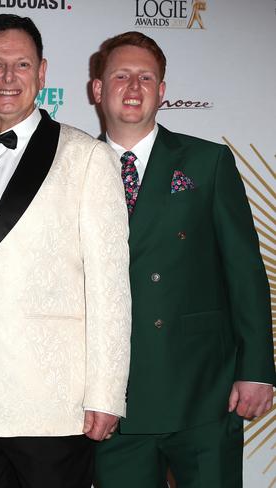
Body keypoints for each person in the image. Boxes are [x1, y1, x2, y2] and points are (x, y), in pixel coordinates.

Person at [0, 14, 131, 487]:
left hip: (53, 403)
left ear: (42, 73)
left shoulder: (88, 158)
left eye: (22, 64)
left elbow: (111, 287)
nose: (9, 77)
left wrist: (106, 393)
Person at [91, 31, 275, 488]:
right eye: (121, 76)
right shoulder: (73, 166)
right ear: (97, 89)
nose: (133, 88)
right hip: (113, 398)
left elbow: (245, 271)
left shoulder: (206, 162)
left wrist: (256, 370)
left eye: (146, 77)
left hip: (203, 391)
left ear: (162, 92)